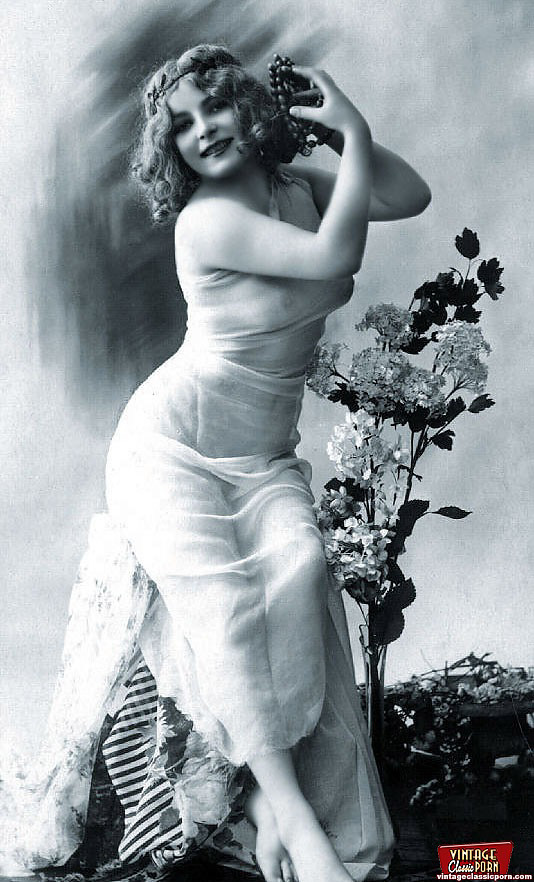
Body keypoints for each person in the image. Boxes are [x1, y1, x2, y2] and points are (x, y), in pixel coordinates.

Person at [0, 44, 430, 882]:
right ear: (170, 150)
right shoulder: (205, 222)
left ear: (248, 104)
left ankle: (264, 806)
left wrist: (345, 135)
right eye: (182, 126)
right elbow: (335, 259)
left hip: (262, 455)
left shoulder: (293, 184)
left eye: (216, 106)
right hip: (172, 450)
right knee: (230, 609)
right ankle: (296, 825)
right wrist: (351, 136)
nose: (203, 131)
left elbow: (407, 196)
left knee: (301, 571)